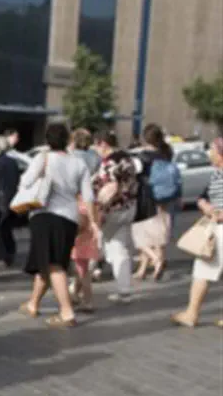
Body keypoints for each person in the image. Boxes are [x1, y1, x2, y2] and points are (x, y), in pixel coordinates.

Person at [18, 123, 98, 328]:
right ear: (68, 140)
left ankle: (66, 312)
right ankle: (33, 303)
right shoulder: (78, 163)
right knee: (50, 261)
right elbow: (88, 196)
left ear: (47, 140)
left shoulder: (43, 158)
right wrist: (93, 222)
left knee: (54, 264)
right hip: (69, 218)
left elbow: (26, 181)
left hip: (44, 215)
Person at [171, 138, 223, 328]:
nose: (210, 154)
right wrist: (205, 205)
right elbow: (203, 196)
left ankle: (191, 314)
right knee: (202, 269)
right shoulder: (216, 174)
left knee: (203, 269)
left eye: (213, 150)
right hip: (215, 227)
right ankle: (191, 313)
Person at [91, 131, 138, 304]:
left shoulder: (109, 163)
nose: (96, 150)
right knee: (120, 248)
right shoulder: (128, 159)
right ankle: (124, 289)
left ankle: (80, 285)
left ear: (103, 143)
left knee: (96, 245)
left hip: (111, 210)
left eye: (96, 146)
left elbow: (106, 188)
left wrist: (99, 208)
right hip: (129, 207)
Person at [132, 124, 176, 281]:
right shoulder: (166, 154)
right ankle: (150, 266)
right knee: (159, 232)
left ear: (145, 138)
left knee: (142, 233)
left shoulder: (141, 157)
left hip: (146, 197)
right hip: (165, 197)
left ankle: (154, 260)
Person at [67, 128, 103, 309]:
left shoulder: (71, 157)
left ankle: (87, 299)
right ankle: (75, 293)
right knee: (83, 257)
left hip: (77, 205)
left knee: (80, 259)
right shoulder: (96, 158)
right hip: (93, 206)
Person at [0, 136, 21, 267]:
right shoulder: (13, 162)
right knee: (7, 228)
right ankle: (10, 252)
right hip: (12, 197)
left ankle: (0, 254)